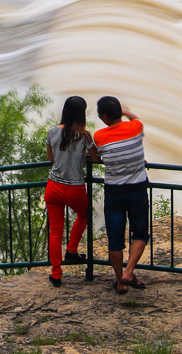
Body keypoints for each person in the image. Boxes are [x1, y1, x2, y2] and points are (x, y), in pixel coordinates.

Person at [91, 95, 150, 294]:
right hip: (137, 189)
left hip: (114, 192)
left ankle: (120, 282)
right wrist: (126, 111)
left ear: (105, 117)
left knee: (115, 238)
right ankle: (129, 271)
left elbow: (97, 156)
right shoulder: (136, 128)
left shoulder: (99, 136)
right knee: (140, 233)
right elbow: (137, 119)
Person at [44, 96, 95, 287]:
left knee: (55, 233)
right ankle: (72, 250)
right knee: (84, 215)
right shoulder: (83, 136)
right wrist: (87, 151)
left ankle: (56, 274)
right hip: (74, 188)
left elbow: (51, 158)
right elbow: (96, 158)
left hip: (53, 188)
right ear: (81, 114)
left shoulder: (53, 131)